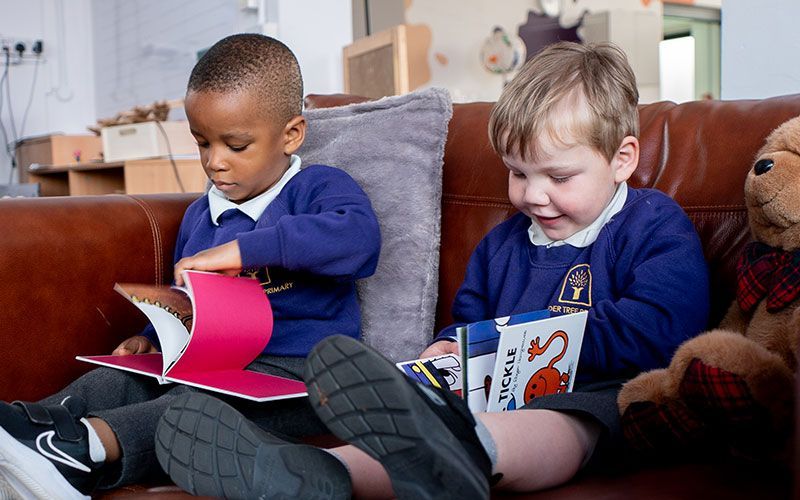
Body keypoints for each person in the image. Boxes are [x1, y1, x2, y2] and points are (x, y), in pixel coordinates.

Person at [156, 41, 710, 499]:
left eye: (558, 177)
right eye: (517, 174)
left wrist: (546, 343)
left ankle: (461, 457)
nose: (533, 196)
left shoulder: (651, 223)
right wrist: (448, 351)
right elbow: (468, 320)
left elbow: (663, 327)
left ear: (623, 159)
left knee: (562, 420)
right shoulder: (503, 244)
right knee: (419, 408)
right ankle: (309, 474)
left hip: (607, 391)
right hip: (493, 389)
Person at [0, 33, 380, 499]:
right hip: (209, 362)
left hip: (299, 377)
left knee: (193, 410)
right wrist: (151, 336)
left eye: (236, 145)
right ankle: (24, 433)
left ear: (291, 134)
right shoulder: (202, 213)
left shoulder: (318, 188)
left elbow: (357, 240)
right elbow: (187, 304)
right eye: (202, 143)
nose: (214, 162)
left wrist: (241, 251)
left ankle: (74, 448)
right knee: (117, 380)